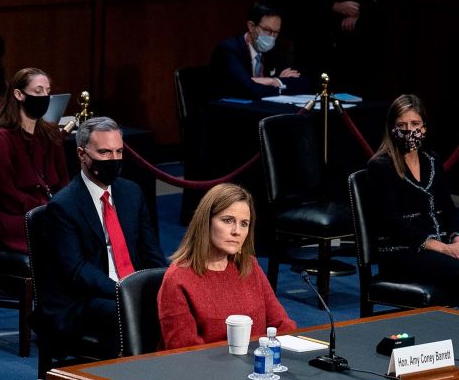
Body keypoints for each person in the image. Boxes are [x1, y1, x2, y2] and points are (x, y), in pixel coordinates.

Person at [366, 94, 459, 321]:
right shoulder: (380, 166)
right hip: (402, 253)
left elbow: (448, 207)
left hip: (440, 248)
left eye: (415, 124)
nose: (410, 131)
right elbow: (393, 222)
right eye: (402, 126)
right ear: (392, 129)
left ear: (424, 128)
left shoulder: (432, 160)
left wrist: (456, 239)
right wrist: (444, 249)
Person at [33, 117, 167, 356]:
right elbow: (77, 271)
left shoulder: (131, 193)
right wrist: (124, 292)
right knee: (126, 313)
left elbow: (151, 252)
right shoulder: (64, 206)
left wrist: (165, 285)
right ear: (82, 154)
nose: (113, 160)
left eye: (118, 151)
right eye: (104, 152)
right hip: (84, 299)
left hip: (128, 287)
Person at [157, 184, 295, 349]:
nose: (237, 231)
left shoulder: (249, 265)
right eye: (228, 220)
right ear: (206, 222)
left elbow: (282, 325)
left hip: (259, 366)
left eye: (244, 224)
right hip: (209, 371)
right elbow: (186, 351)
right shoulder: (178, 278)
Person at [0, 68, 70, 253]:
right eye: (38, 91)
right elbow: (7, 192)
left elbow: (64, 181)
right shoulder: (1, 138)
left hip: (51, 211)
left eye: (48, 92)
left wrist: (63, 207)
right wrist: (45, 209)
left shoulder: (50, 134)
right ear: (19, 94)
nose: (45, 97)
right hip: (18, 217)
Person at [209, 2, 310, 100]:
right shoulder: (229, 49)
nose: (271, 37)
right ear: (251, 26)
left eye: (276, 32)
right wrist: (282, 84)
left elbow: (303, 83)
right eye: (267, 30)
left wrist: (274, 81)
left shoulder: (273, 49)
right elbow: (251, 90)